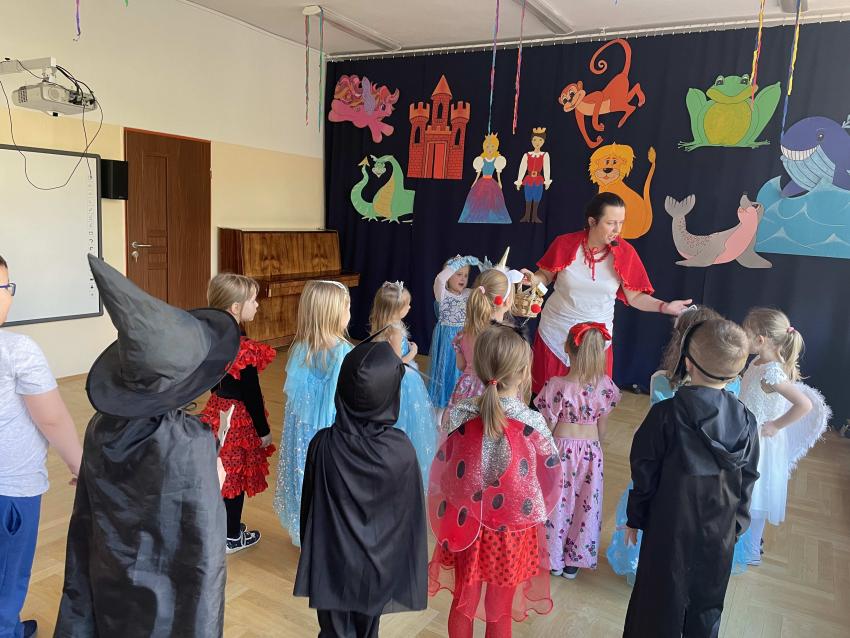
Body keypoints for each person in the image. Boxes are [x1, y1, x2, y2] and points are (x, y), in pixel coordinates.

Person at [55, 255, 241, 637]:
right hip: (169, 593)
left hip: (111, 570)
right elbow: (201, 547)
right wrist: (215, 474)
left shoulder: (101, 428)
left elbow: (93, 514)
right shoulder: (189, 442)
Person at [623, 319, 760, 638]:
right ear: (735, 374)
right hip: (719, 531)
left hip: (668, 528)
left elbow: (644, 471)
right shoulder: (747, 421)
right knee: (706, 605)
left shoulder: (665, 415)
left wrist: (636, 517)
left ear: (687, 363)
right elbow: (748, 478)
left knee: (656, 603)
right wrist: (736, 525)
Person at [429, 325, 561, 638]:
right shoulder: (533, 422)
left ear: (479, 366)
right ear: (524, 372)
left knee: (463, 602)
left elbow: (445, 465)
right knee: (499, 611)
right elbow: (551, 473)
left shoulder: (460, 413)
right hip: (511, 532)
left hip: (466, 525)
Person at [294, 335, 428, 638]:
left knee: (333, 631)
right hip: (378, 567)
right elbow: (408, 520)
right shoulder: (401, 450)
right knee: (368, 629)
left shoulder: (322, 445)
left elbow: (309, 513)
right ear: (390, 394)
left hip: (332, 563)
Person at [606, 305, 748, 584]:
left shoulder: (661, 381)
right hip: (713, 487)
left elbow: (649, 450)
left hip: (668, 479)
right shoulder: (733, 386)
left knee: (663, 533)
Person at [521, 192, 693, 394]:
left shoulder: (625, 253)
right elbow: (545, 275)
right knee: (546, 397)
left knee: (590, 402)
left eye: (621, 223)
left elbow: (635, 297)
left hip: (596, 342)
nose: (617, 230)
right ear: (592, 221)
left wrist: (664, 307)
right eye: (611, 223)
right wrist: (535, 280)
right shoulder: (565, 243)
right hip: (556, 333)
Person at [0, 254, 82, 638]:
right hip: (10, 489)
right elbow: (52, 419)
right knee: (7, 576)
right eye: (5, 287)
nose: (9, 295)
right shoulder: (17, 350)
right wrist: (80, 466)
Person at [738, 308, 830, 566]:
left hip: (761, 441)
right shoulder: (757, 362)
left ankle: (751, 549)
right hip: (747, 433)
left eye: (746, 334)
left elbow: (804, 405)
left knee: (756, 494)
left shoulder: (773, 372)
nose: (742, 338)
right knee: (745, 490)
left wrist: (777, 426)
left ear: (760, 340)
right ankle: (742, 538)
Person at [534, 322, 620, 580]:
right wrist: (597, 450)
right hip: (591, 453)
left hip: (560, 450)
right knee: (586, 505)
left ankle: (554, 559)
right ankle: (574, 561)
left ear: (566, 348)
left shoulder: (556, 385)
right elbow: (602, 427)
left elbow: (547, 426)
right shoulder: (605, 386)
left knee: (557, 503)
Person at [200, 273, 276, 554]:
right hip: (239, 419)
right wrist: (263, 431)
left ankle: (221, 528)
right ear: (235, 307)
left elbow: (209, 381)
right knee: (235, 477)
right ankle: (231, 536)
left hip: (217, 411)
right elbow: (251, 394)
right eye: (253, 300)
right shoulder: (243, 347)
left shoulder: (211, 338)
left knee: (221, 472)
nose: (257, 305)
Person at [274, 280, 352, 547]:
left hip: (302, 433)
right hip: (331, 432)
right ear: (334, 313)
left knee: (304, 476)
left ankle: (308, 532)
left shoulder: (300, 348)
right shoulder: (343, 352)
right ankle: (326, 536)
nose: (349, 312)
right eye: (347, 307)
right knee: (330, 481)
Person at [369, 281, 436, 484]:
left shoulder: (380, 325)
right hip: (402, 381)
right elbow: (397, 363)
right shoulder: (395, 330)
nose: (410, 308)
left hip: (384, 380)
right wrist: (413, 352)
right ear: (397, 310)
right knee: (407, 419)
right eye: (407, 305)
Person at [442, 267, 515, 430]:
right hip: (497, 394)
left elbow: (461, 365)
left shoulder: (465, 333)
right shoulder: (508, 337)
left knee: (463, 434)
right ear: (507, 301)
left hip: (466, 390)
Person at [429, 255, 479, 415]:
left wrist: (482, 266)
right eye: (458, 274)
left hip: (464, 340)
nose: (463, 278)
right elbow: (439, 279)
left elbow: (486, 287)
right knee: (444, 374)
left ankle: (455, 410)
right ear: (449, 275)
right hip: (447, 341)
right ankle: (439, 413)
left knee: (459, 373)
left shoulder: (468, 293)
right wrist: (459, 263)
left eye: (466, 275)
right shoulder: (442, 293)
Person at [458, 134, 511, 224]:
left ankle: (489, 217)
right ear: (484, 147)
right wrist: (474, 182)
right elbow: (478, 173)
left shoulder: (496, 160)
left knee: (492, 200)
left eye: (492, 146)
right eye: (487, 146)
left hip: (492, 183)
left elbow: (498, 173)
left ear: (496, 147)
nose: (490, 149)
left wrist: (499, 182)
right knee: (479, 199)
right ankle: (480, 216)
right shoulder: (481, 160)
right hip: (481, 182)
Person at [514, 126, 552, 224]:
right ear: (531, 141)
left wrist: (547, 180)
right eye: (535, 140)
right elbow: (522, 168)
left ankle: (534, 216)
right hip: (528, 179)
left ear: (543, 141)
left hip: (538, 179)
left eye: (540, 140)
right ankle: (527, 215)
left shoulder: (544, 155)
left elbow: (546, 168)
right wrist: (519, 180)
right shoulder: (527, 155)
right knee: (528, 196)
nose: (537, 142)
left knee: (537, 197)